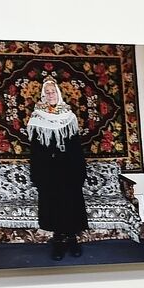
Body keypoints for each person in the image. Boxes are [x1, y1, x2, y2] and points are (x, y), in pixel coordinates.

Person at [27, 77, 88, 261]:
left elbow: (75, 146)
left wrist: (80, 170)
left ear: (58, 93)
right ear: (43, 95)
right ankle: (58, 242)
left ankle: (72, 240)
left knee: (71, 204)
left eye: (53, 91)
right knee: (53, 205)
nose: (50, 95)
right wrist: (37, 174)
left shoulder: (69, 116)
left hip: (68, 169)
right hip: (48, 170)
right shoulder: (37, 117)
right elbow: (35, 149)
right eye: (47, 92)